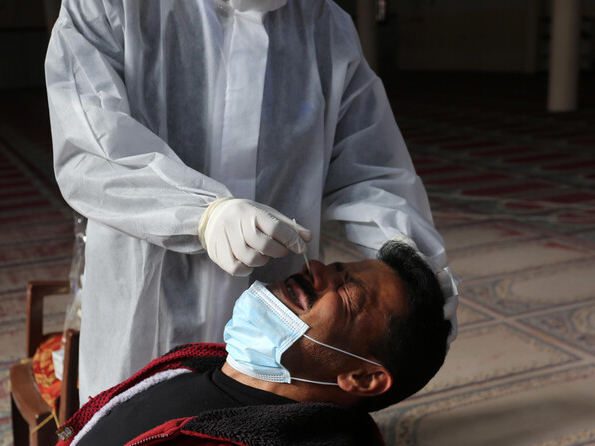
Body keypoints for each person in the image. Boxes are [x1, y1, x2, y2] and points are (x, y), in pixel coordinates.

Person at [45, 0, 454, 402]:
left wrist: (420, 273)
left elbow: (371, 169)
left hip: (282, 322)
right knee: (138, 436)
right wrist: (200, 214)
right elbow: (89, 142)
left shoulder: (322, 25)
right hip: (147, 296)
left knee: (258, 434)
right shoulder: (113, 6)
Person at [0, 240, 455, 446]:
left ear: (364, 377)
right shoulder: (187, 367)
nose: (318, 272)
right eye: (338, 267)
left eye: (348, 293)